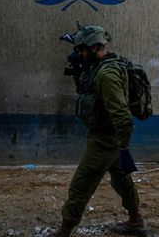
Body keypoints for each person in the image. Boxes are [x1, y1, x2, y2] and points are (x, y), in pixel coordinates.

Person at [47, 25, 147, 237]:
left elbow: (122, 116)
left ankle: (64, 230)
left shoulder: (107, 75)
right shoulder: (99, 66)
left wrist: (123, 147)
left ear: (94, 48)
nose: (78, 54)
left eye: (81, 50)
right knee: (121, 179)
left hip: (105, 140)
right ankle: (136, 220)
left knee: (80, 185)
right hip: (109, 138)